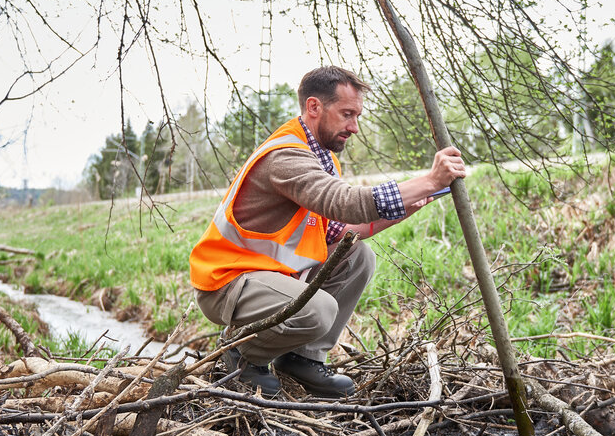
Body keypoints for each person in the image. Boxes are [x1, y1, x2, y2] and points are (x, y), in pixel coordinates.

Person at [189, 65, 465, 398]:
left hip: (268, 278)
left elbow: (341, 230)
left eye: (358, 115)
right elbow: (343, 201)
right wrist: (429, 180)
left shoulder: (320, 157)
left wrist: (411, 203)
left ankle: (301, 359)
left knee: (356, 256)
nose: (355, 127)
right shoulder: (286, 157)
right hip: (227, 283)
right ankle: (242, 353)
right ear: (314, 107)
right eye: (347, 114)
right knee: (319, 309)